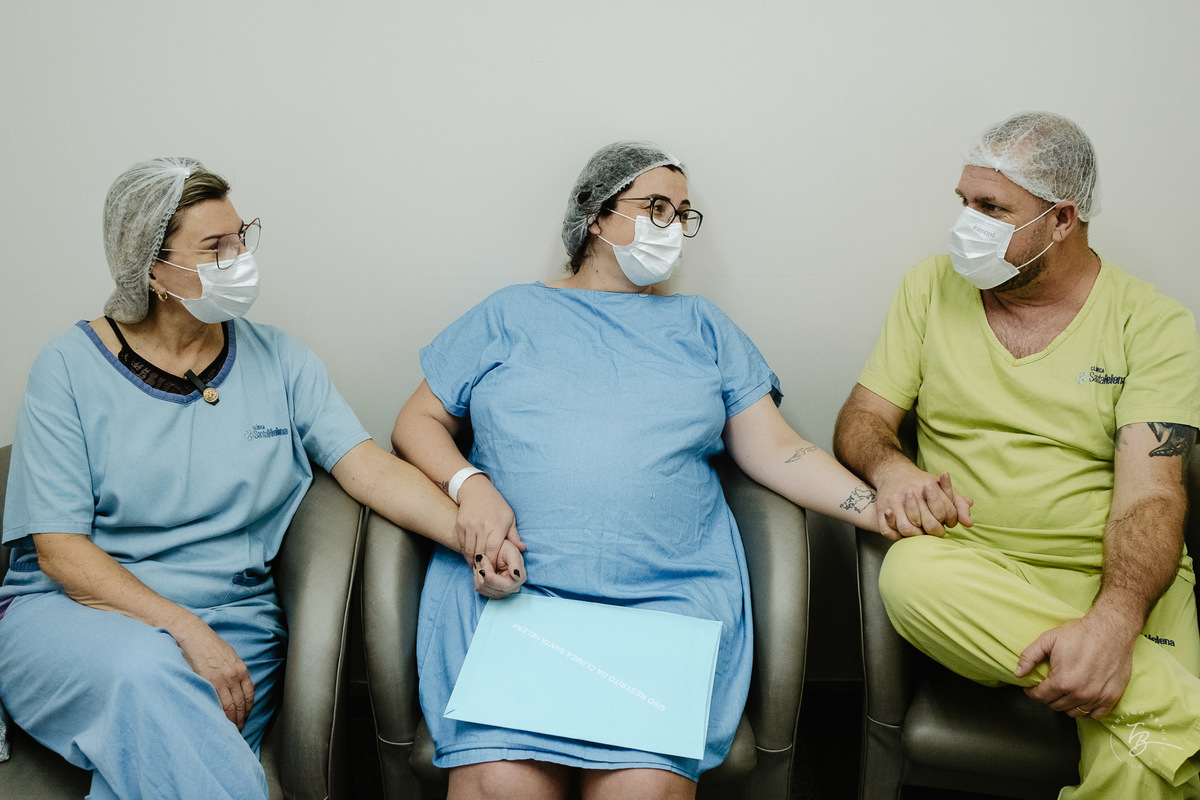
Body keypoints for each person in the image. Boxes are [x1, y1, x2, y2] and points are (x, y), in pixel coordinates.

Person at [392, 140, 880, 800]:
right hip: (518, 591)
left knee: (643, 786)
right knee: (502, 782)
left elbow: (777, 449)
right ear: (595, 215)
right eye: (655, 206)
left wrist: (879, 508)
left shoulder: (703, 328)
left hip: (665, 604)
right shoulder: (509, 314)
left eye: (682, 214)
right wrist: (468, 486)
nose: (671, 226)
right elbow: (415, 422)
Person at [0, 157, 501, 800]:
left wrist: (471, 531)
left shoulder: (280, 361)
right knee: (145, 671)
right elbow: (61, 552)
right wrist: (182, 631)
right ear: (150, 269)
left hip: (232, 625)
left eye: (242, 236)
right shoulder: (68, 368)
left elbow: (368, 468)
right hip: (73, 618)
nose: (239, 257)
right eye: (215, 247)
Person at [833, 112, 1200, 797]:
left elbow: (1153, 495)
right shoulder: (928, 288)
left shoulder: (1155, 325)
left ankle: (1154, 708)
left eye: (992, 208)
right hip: (976, 573)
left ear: (1062, 220)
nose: (965, 223)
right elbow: (862, 418)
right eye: (964, 203)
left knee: (1143, 762)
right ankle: (1188, 714)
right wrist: (892, 468)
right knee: (909, 578)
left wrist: (1115, 623)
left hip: (1119, 579)